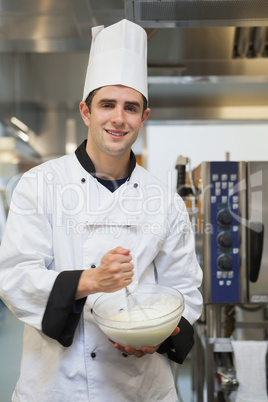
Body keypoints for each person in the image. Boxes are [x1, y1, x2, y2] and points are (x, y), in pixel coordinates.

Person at [0, 19, 203, 402]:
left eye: (130, 108)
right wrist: (92, 280)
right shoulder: (40, 185)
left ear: (143, 117)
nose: (118, 118)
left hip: (141, 387)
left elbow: (184, 291)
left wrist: (163, 333)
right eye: (107, 104)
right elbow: (15, 278)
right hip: (57, 385)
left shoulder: (165, 200)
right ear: (86, 111)